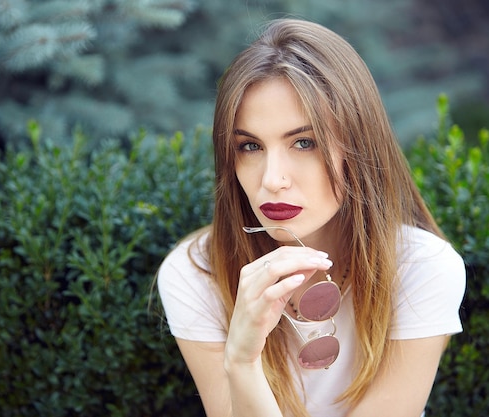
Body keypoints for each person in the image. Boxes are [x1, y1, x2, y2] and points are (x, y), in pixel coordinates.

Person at [157, 18, 466, 417]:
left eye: (304, 142)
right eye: (250, 146)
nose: (272, 180)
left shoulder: (422, 268)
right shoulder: (196, 272)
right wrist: (242, 362)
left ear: (358, 145)